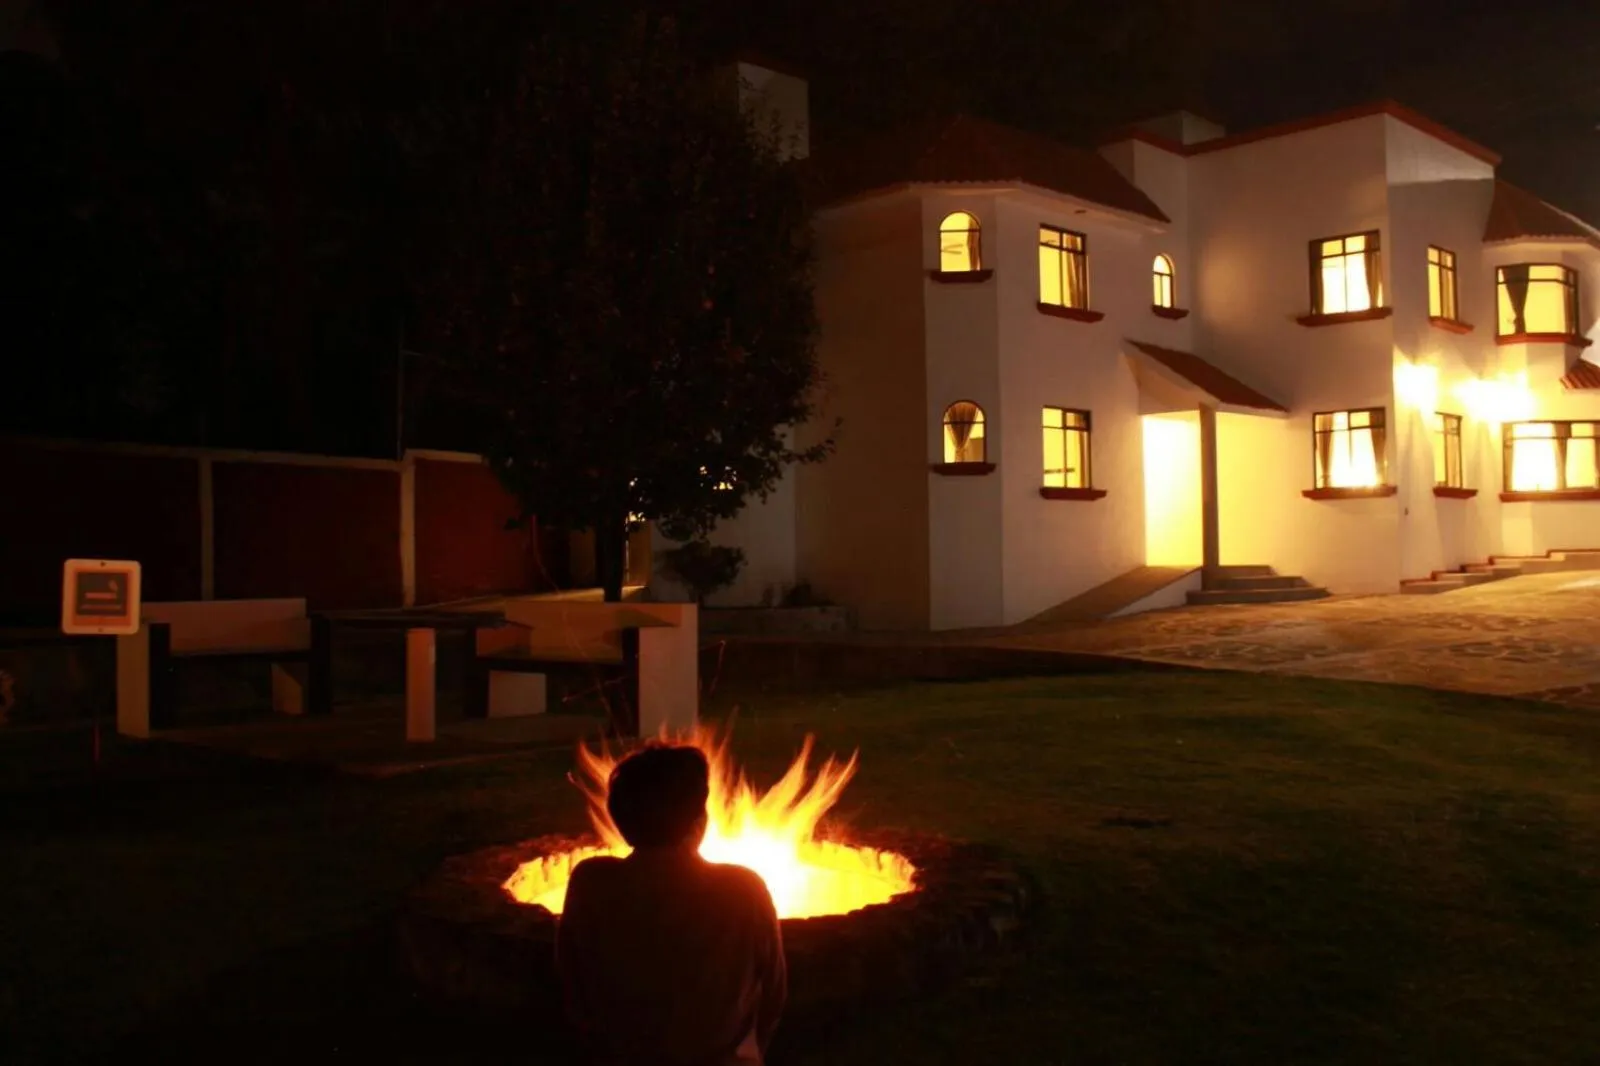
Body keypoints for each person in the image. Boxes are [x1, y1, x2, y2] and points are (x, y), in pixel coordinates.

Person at [556, 742, 788, 1066]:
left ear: (621, 820)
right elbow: (774, 995)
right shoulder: (743, 889)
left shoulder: (590, 883)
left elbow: (572, 985)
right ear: (699, 820)